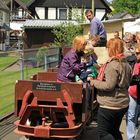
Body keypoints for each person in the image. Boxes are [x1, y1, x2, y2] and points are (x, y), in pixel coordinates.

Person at [89, 38, 132, 140]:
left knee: (103, 133)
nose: (107, 50)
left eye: (108, 48)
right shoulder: (126, 64)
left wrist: (93, 81)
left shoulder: (112, 65)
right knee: (114, 130)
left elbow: (109, 86)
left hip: (110, 105)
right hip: (123, 103)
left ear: (112, 49)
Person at [126, 43, 140, 140]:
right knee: (130, 116)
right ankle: (131, 138)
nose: (136, 55)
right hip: (132, 93)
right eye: (136, 53)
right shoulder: (134, 62)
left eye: (138, 53)